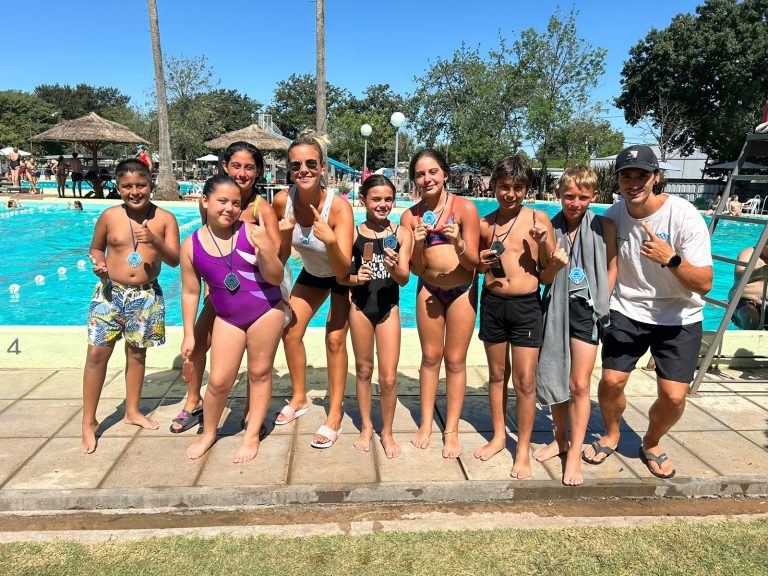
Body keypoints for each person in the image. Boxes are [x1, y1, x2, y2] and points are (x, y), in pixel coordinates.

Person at [582, 145, 713, 479]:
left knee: (673, 396)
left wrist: (671, 259)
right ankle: (611, 433)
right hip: (627, 308)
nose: (634, 182)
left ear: (657, 178)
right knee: (611, 381)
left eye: (642, 175)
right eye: (627, 175)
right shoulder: (612, 216)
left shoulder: (683, 215)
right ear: (618, 180)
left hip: (679, 315)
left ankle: (651, 442)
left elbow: (706, 283)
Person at [174, 141, 282, 434]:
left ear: (257, 171)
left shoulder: (263, 209)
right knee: (197, 345)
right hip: (222, 291)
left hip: (259, 289)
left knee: (258, 365)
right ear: (225, 167)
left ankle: (251, 416)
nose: (242, 173)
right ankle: (192, 400)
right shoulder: (210, 202)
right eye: (236, 165)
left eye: (249, 167)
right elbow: (206, 243)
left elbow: (275, 257)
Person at [80, 159, 181, 454]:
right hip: (110, 294)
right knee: (97, 355)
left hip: (145, 296)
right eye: (127, 186)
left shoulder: (165, 218)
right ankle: (89, 421)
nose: (134, 192)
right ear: (117, 186)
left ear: (150, 183)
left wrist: (155, 241)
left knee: (137, 355)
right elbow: (96, 247)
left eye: (140, 185)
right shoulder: (110, 216)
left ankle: (133, 411)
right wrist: (98, 263)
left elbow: (174, 259)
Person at [533, 166, 616, 486]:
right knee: (556, 378)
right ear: (558, 195)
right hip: (554, 308)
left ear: (594, 196)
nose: (576, 202)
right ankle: (560, 439)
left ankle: (575, 452)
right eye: (569, 196)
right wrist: (551, 257)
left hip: (587, 310)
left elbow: (612, 265)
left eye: (583, 197)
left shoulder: (604, 226)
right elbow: (544, 277)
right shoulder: (548, 228)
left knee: (580, 384)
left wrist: (602, 300)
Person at [473, 155, 554, 478]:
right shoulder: (485, 223)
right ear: (494, 186)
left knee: (524, 381)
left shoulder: (538, 219)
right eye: (505, 186)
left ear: (527, 189)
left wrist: (543, 242)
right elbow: (477, 269)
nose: (511, 193)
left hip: (525, 306)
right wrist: (480, 260)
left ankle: (522, 447)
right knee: (496, 375)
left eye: (518, 187)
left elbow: (548, 271)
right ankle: (497, 436)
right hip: (492, 303)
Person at [272, 131, 354, 449]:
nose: (303, 170)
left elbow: (344, 267)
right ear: (289, 170)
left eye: (310, 163)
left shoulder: (339, 209)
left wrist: (330, 238)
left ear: (322, 168)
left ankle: (334, 413)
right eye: (296, 165)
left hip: (344, 275)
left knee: (334, 339)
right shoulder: (283, 201)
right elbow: (278, 258)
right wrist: (282, 236)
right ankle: (300, 397)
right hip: (313, 273)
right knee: (290, 331)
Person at [400, 148, 480, 459]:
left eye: (432, 171)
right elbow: (417, 269)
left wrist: (458, 242)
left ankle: (452, 429)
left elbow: (473, 262)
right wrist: (418, 243)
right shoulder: (411, 216)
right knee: (430, 357)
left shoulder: (465, 209)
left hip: (462, 289)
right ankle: (425, 424)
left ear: (444, 173)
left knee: (456, 360)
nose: (427, 178)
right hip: (429, 289)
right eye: (420, 174)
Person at [340, 174, 412, 458]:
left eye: (388, 199)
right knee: (363, 370)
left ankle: (387, 431)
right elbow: (341, 275)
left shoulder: (402, 233)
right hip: (359, 306)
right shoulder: (354, 233)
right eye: (376, 199)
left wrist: (394, 268)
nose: (382, 204)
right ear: (363, 200)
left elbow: (405, 279)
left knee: (390, 377)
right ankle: (366, 427)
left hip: (388, 309)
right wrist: (355, 277)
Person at [729, 239, 768, 330]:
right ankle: (750, 342)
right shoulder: (750, 253)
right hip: (746, 301)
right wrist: (759, 271)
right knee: (749, 313)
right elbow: (739, 275)